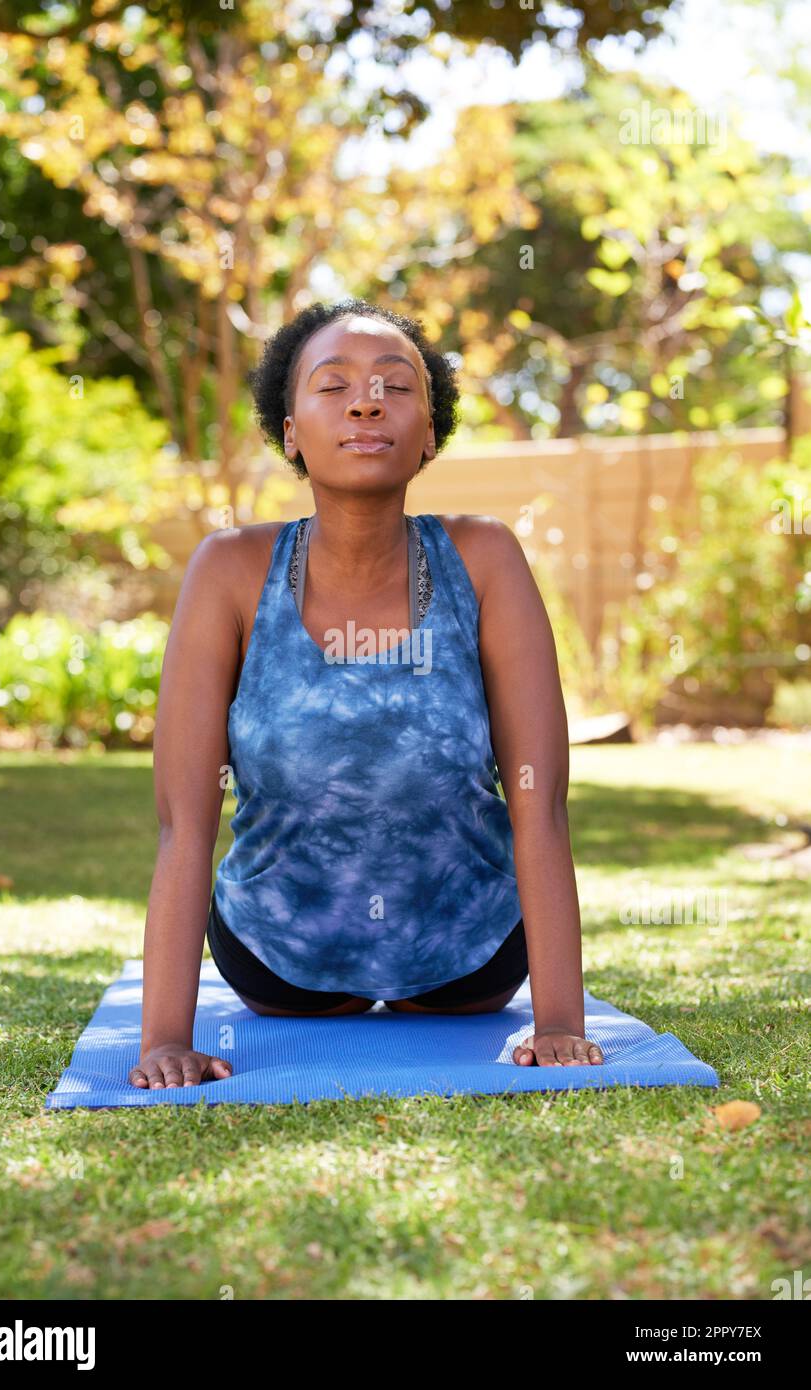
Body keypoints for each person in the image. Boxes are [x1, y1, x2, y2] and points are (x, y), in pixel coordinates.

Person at [128, 298, 604, 1090]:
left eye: (395, 385)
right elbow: (184, 822)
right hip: (278, 964)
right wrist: (164, 1039)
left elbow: (539, 800)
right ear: (289, 431)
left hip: (472, 960)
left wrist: (557, 1024)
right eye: (332, 385)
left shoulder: (484, 558)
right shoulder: (229, 571)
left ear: (427, 434)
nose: (365, 400)